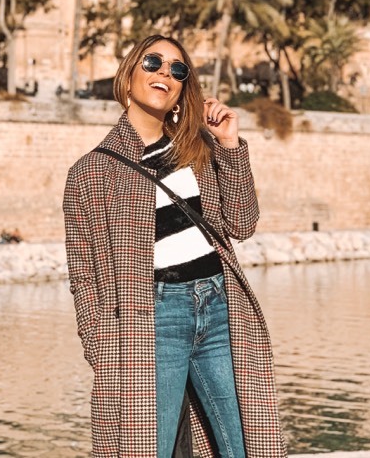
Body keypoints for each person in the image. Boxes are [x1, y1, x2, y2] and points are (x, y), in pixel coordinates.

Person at [63, 34, 287, 457]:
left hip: (220, 308)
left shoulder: (200, 150)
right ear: (128, 78)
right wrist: (102, 348)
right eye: (153, 62)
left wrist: (230, 144)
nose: (165, 72)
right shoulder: (91, 172)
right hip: (152, 317)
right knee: (148, 448)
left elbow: (242, 222)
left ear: (183, 89)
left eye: (177, 69)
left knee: (248, 445)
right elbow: (83, 275)